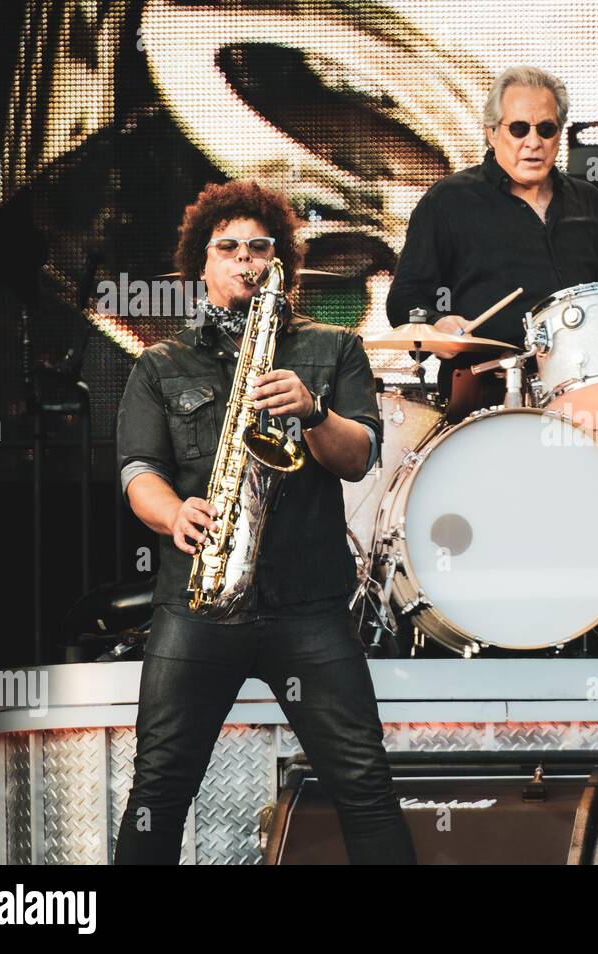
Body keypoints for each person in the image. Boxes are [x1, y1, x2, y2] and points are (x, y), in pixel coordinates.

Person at [114, 179, 414, 864]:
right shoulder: (161, 365)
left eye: (258, 247)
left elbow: (361, 457)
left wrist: (313, 412)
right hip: (199, 602)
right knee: (158, 791)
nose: (245, 260)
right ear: (201, 265)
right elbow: (138, 472)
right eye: (228, 249)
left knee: (365, 786)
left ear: (281, 263)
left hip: (306, 603)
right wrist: (173, 513)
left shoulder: (332, 350)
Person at [386, 66, 598, 416]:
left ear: (559, 134)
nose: (533, 142)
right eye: (519, 128)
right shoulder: (447, 202)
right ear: (491, 132)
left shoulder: (589, 202)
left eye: (546, 129)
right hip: (486, 395)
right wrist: (437, 324)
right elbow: (404, 299)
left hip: (586, 394)